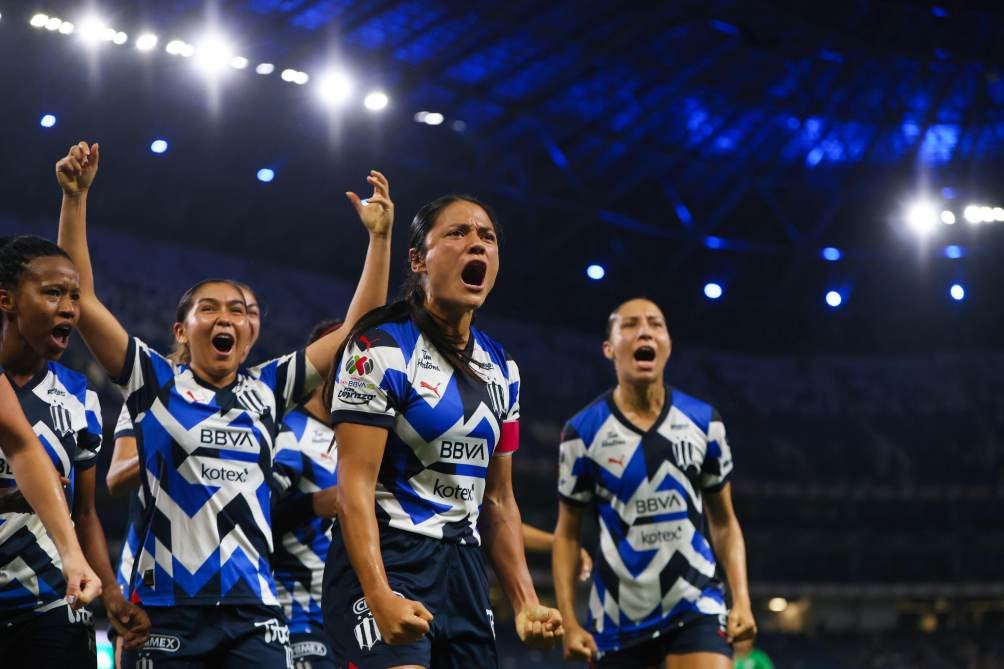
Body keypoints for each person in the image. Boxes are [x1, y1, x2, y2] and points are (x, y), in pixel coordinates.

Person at [55, 140, 393, 668]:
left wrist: (380, 238)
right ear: (181, 330)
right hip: (164, 610)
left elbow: (357, 329)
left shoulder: (269, 388)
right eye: (208, 308)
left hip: (254, 614)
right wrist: (74, 199)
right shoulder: (153, 381)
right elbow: (85, 301)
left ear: (249, 330)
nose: (226, 318)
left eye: (237, 309)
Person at [324, 194, 563, 668]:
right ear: (417, 260)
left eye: (487, 237)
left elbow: (498, 501)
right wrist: (377, 593)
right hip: (389, 558)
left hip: (465, 571)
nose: (476, 244)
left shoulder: (503, 369)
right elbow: (353, 486)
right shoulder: (378, 349)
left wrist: (525, 603)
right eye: (458, 233)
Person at [552, 298, 756, 669]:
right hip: (616, 619)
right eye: (629, 324)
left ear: (667, 344)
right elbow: (567, 534)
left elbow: (724, 523)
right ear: (609, 348)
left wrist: (741, 598)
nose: (644, 330)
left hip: (696, 603)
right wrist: (569, 621)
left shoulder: (704, 422)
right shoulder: (581, 433)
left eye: (655, 324)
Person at [0, 234, 151, 665]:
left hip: (53, 605)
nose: (69, 307)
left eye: (74, 296)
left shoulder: (80, 397)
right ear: (6, 299)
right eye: (52, 293)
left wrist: (113, 593)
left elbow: (84, 512)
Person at [271, 320, 343, 669]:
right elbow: (252, 515)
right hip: (297, 617)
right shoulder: (290, 431)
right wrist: (313, 504)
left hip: (348, 619)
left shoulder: (359, 441)